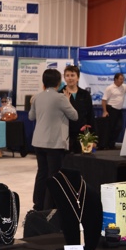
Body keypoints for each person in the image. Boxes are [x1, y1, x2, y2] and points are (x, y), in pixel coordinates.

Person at [29, 68, 78, 211]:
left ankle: (38, 204)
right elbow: (74, 116)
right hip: (54, 143)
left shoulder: (37, 97)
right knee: (53, 175)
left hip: (38, 141)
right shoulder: (61, 97)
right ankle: (50, 206)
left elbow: (31, 117)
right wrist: (68, 100)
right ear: (58, 82)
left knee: (41, 173)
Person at [58, 65, 94, 153]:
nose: (70, 78)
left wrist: (93, 137)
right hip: (65, 134)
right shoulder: (59, 94)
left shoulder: (85, 94)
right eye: (67, 75)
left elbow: (90, 115)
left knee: (82, 161)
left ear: (78, 77)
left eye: (72, 75)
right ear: (64, 78)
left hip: (82, 133)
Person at [101, 73, 126, 149]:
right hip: (111, 109)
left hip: (119, 110)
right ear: (116, 79)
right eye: (120, 79)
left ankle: (112, 143)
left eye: (122, 79)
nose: (122, 81)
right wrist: (105, 111)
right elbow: (104, 100)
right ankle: (106, 145)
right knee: (109, 128)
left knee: (118, 127)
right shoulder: (110, 88)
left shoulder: (124, 86)